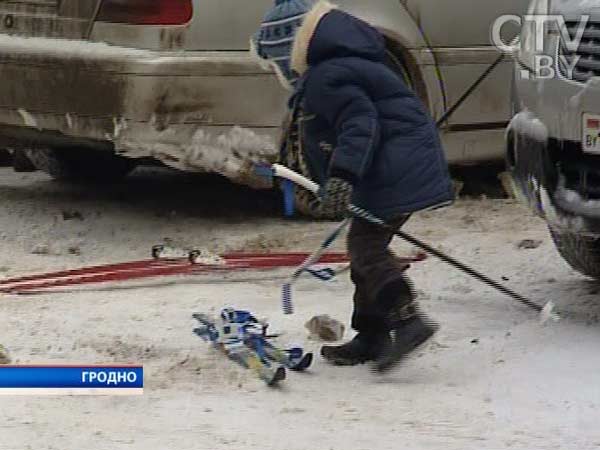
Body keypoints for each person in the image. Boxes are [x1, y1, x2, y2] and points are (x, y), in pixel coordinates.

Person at [252, 0, 454, 372]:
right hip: (394, 166)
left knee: (365, 247)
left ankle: (408, 320)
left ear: (287, 51)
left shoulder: (326, 77)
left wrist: (343, 176)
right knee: (364, 252)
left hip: (396, 170)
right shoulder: (341, 66)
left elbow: (360, 124)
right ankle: (372, 335)